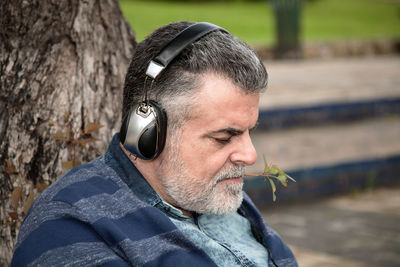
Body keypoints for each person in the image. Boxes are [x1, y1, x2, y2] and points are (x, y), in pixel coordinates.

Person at [12, 21, 297, 266]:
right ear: (147, 130)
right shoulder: (71, 227)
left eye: (250, 132)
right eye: (224, 138)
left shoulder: (210, 194)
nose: (249, 155)